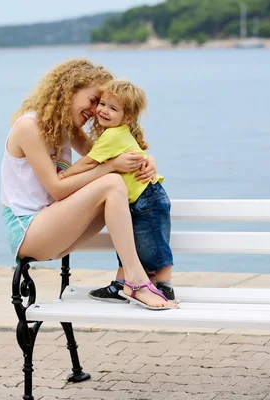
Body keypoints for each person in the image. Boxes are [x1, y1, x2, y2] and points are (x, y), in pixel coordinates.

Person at [0, 59, 177, 310]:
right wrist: (111, 167)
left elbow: (114, 154)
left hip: (53, 225)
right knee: (112, 182)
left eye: (102, 104)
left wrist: (147, 160)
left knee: (122, 186)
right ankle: (135, 281)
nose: (96, 110)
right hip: (27, 231)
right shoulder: (30, 127)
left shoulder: (65, 129)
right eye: (94, 100)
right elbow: (58, 189)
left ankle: (133, 276)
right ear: (70, 89)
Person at [59, 79, 175, 304]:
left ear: (128, 117)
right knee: (129, 241)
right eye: (102, 104)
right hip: (139, 196)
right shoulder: (114, 134)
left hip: (147, 197)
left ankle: (164, 285)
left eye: (113, 108)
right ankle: (121, 284)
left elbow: (88, 163)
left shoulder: (112, 136)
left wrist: (63, 176)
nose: (103, 111)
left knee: (153, 244)